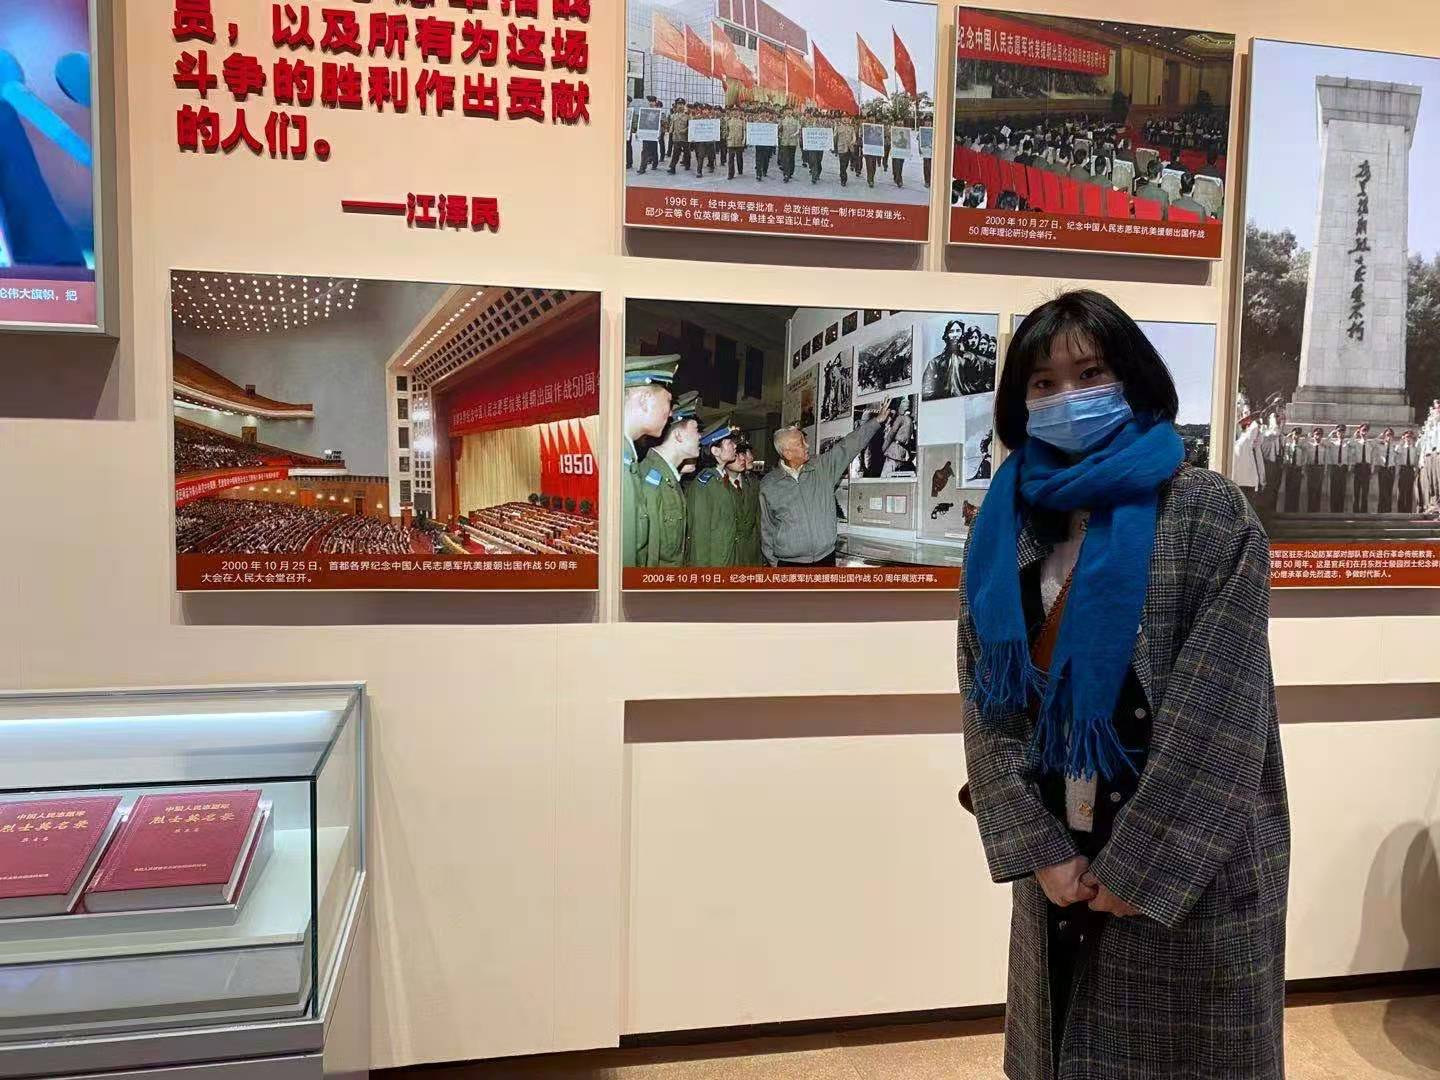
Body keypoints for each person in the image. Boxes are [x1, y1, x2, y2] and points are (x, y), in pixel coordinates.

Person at [959, 289, 1287, 1080]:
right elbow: (986, 701)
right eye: (1043, 383)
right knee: (1064, 1048)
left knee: (1181, 1057)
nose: (1066, 397)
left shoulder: (1207, 512)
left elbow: (1220, 715)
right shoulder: (1006, 523)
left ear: (1133, 379)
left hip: (1188, 868)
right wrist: (1039, 851)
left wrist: (1139, 867)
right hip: (1060, 861)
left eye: (1090, 373)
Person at [760, 407, 887, 567]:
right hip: (789, 564)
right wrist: (774, 563)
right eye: (801, 443)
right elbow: (767, 528)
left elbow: (847, 446)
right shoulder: (769, 484)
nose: (807, 445)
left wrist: (876, 422)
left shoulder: (822, 467)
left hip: (825, 559)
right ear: (787, 453)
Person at [621, 355, 678, 567]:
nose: (670, 414)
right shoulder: (621, 463)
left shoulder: (627, 458)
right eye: (668, 401)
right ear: (645, 399)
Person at [635, 392, 700, 567]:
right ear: (678, 435)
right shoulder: (651, 481)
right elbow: (647, 557)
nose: (700, 437)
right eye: (696, 430)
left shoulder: (669, 478)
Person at [686, 417, 741, 567]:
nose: (735, 446)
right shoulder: (704, 484)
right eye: (729, 443)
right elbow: (699, 536)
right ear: (715, 451)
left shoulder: (722, 478)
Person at [922, 319, 989, 400]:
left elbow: (978, 383)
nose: (955, 335)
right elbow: (926, 388)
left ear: (962, 334)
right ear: (946, 335)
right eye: (951, 331)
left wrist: (966, 392)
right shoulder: (935, 362)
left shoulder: (971, 358)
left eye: (958, 331)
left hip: (965, 402)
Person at [731, 441, 763, 565]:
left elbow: (758, 520)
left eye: (746, 453)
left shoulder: (753, 483)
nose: (747, 458)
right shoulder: (717, 485)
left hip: (752, 554)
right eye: (741, 453)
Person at [1233, 415, 1264, 510]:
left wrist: (1262, 481)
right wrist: (1255, 420)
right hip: (1244, 485)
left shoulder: (1255, 448)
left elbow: (1260, 465)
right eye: (1258, 433)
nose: (1259, 435)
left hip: (1252, 485)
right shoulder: (1242, 443)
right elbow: (1253, 430)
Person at [881, 398, 914, 477]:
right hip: (903, 454)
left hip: (894, 452)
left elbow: (891, 434)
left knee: (884, 477)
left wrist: (883, 448)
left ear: (902, 408)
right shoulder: (910, 421)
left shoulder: (900, 418)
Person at [1345, 422, 1373, 514]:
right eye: (1363, 430)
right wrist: (1355, 435)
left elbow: (1373, 457)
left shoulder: (1370, 443)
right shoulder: (1356, 443)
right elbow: (1349, 443)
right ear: (1360, 431)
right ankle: (1355, 512)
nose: (1364, 432)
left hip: (1367, 468)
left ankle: (1364, 512)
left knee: (1365, 492)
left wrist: (1372, 469)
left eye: (1366, 430)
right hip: (1358, 467)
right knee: (1356, 491)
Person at [1260, 411, 1283, 515]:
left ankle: (1273, 510)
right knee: (1268, 487)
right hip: (1268, 462)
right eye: (1276, 417)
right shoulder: (1265, 431)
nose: (1278, 419)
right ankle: (1266, 511)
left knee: (1275, 487)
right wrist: (1274, 420)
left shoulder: (1279, 432)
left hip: (1278, 461)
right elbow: (1275, 433)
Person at [1325, 424, 1348, 513]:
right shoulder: (1332, 443)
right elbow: (1325, 442)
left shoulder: (1347, 443)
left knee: (1342, 490)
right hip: (1335, 467)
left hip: (1343, 467)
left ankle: (1340, 511)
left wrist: (1349, 465)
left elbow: (1350, 455)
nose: (1340, 433)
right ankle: (1333, 511)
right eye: (1339, 432)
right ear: (1336, 432)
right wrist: (1332, 433)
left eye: (1342, 432)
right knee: (1334, 490)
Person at [1282, 427, 1305, 514]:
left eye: (1298, 434)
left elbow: (1304, 459)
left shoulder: (1302, 446)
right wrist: (1288, 436)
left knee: (1296, 490)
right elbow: (1285, 455)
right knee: (1288, 489)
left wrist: (1302, 470)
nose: (1296, 436)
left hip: (1298, 469)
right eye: (1295, 434)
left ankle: (1295, 510)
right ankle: (1287, 510)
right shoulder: (1288, 445)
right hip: (1290, 468)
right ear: (1292, 434)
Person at [1376, 428, 1397, 515]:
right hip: (1382, 469)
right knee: (1382, 490)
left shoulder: (1395, 446)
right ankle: (1381, 510)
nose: (1389, 436)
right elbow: (1372, 443)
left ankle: (1388, 510)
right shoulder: (1380, 445)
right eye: (1387, 435)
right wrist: (1379, 437)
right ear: (1385, 435)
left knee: (1389, 490)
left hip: (1391, 469)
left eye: (1391, 435)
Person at [666, 99, 690, 174]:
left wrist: (685, 130)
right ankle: (672, 167)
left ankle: (687, 164)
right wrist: (670, 132)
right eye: (679, 104)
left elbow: (690, 126)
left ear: (684, 105)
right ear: (676, 105)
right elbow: (672, 125)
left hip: (684, 138)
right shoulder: (673, 116)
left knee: (687, 153)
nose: (680, 106)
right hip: (676, 137)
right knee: (676, 153)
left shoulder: (687, 116)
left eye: (682, 104)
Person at [1304, 427, 1326, 513]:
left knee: (1318, 490)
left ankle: (1317, 511)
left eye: (1320, 435)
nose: (1318, 436)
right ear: (1314, 435)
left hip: (1320, 468)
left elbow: (1325, 459)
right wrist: (1308, 438)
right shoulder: (1309, 445)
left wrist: (1325, 470)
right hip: (1311, 468)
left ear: (1322, 436)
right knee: (1311, 490)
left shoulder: (1323, 446)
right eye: (1316, 434)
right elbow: (1303, 447)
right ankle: (1310, 511)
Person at [1398, 429, 1419, 514]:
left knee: (1409, 490)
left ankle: (1408, 511)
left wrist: (1416, 471)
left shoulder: (1414, 449)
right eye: (1407, 437)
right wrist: (1401, 441)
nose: (1409, 438)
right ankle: (1400, 511)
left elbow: (1416, 461)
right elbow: (1397, 452)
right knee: (1401, 490)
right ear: (1404, 438)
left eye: (1410, 437)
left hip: (1410, 469)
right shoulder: (1401, 448)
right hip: (1403, 469)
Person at [778, 106, 800, 182]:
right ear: (785, 112)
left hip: (793, 142)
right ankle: (786, 174)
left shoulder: (796, 121)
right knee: (785, 158)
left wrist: (794, 134)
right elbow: (779, 130)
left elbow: (798, 130)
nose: (789, 112)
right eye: (787, 110)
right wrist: (779, 132)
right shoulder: (782, 121)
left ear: (792, 112)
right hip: (784, 142)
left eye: (790, 110)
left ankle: (790, 172)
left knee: (791, 158)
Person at [835, 113, 857, 187]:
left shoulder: (851, 128)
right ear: (841, 119)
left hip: (849, 149)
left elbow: (854, 136)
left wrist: (853, 141)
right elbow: (835, 138)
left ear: (849, 119)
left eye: (846, 117)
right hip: (841, 148)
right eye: (843, 117)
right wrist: (834, 148)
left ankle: (842, 173)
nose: (845, 119)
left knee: (846, 163)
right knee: (842, 164)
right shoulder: (838, 127)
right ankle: (843, 179)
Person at [725, 107, 746, 180]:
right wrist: (727, 138)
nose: (735, 112)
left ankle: (740, 170)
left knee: (739, 157)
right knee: (730, 158)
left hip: (739, 141)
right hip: (731, 141)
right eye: (733, 111)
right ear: (731, 112)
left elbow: (744, 131)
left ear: (739, 112)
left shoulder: (742, 121)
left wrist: (743, 140)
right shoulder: (728, 121)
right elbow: (726, 130)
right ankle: (730, 174)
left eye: (736, 111)